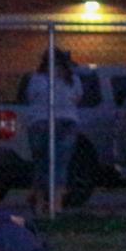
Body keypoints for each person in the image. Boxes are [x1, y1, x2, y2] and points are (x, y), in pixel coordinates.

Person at [25, 47, 81, 219]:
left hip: (43, 122)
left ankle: (43, 203)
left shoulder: (37, 80)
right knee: (58, 165)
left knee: (42, 164)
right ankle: (55, 205)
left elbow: (30, 97)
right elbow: (77, 98)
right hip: (62, 122)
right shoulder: (71, 80)